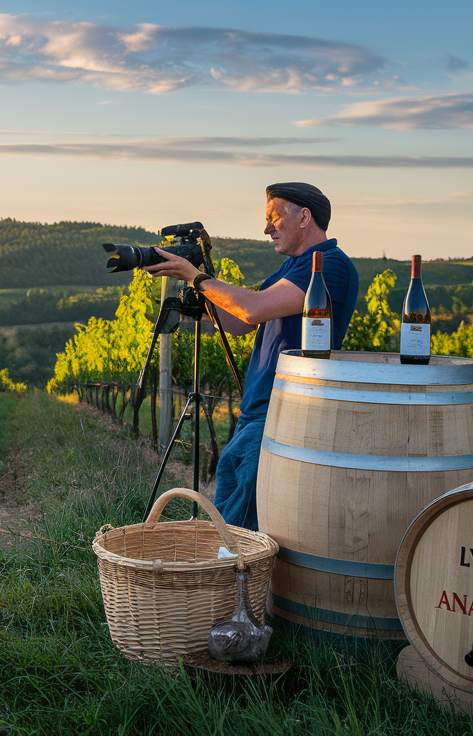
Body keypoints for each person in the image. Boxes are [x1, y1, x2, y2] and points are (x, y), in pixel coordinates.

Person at [143, 182, 359, 530]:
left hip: (283, 414)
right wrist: (202, 289)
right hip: (256, 412)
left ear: (304, 217)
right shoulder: (291, 268)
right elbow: (238, 322)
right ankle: (226, 583)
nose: (267, 228)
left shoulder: (329, 266)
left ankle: (230, 585)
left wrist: (195, 276)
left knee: (239, 535)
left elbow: (253, 309)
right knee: (230, 521)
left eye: (274, 218)